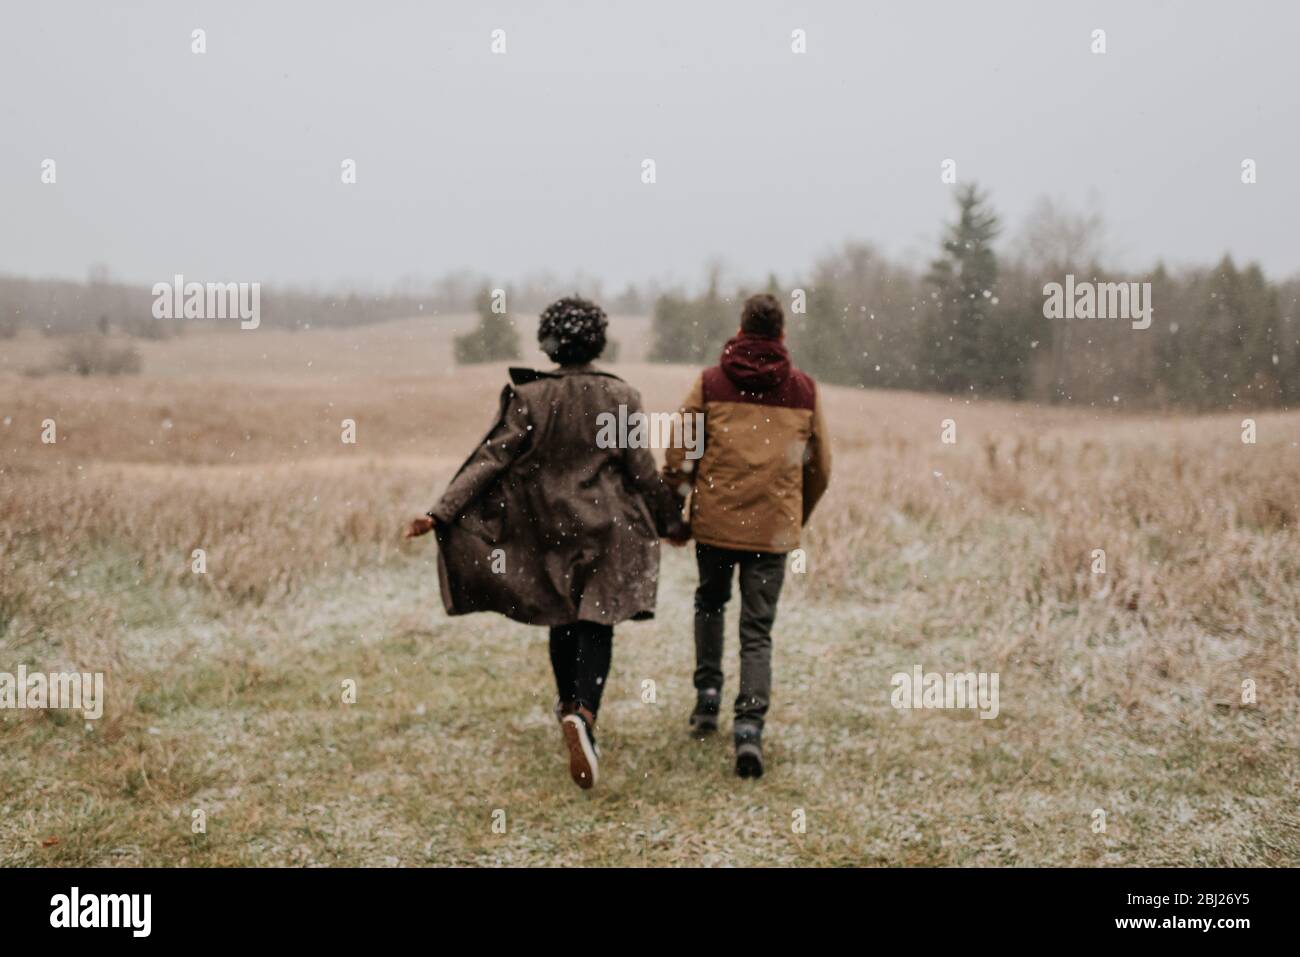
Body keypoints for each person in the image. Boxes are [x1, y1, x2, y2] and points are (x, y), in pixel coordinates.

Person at [404, 297, 684, 790]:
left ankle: (566, 708)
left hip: (551, 528)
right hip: (609, 528)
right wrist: (671, 520)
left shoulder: (529, 397)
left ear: (549, 343)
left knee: (562, 615)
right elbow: (640, 470)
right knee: (598, 619)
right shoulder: (620, 397)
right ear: (598, 340)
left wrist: (441, 511)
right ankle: (586, 714)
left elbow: (490, 459)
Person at [662, 293, 831, 778]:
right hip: (773, 531)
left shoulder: (711, 383)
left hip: (716, 524)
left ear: (741, 328)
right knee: (757, 631)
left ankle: (706, 698)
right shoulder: (804, 391)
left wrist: (677, 503)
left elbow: (681, 447)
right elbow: (821, 466)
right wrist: (796, 513)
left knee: (710, 604)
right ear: (781, 335)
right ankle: (749, 728)